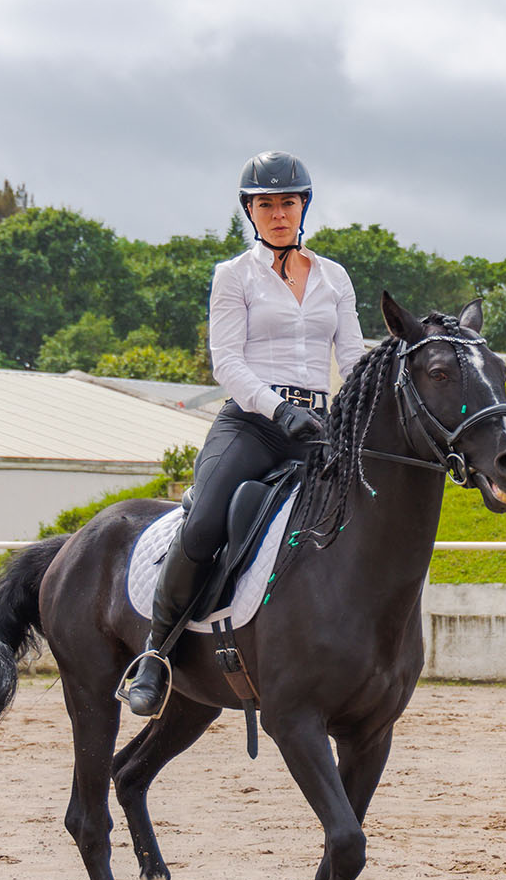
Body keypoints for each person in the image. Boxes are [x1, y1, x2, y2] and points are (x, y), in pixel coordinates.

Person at [118, 151, 366, 717]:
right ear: (249, 212)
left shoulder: (336, 277)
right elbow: (226, 362)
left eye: (287, 202)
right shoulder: (234, 276)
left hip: (320, 426)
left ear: (303, 206)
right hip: (253, 425)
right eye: (265, 204)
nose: (277, 213)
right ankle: (156, 654)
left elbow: (351, 358)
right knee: (204, 520)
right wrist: (279, 411)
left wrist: (354, 409)